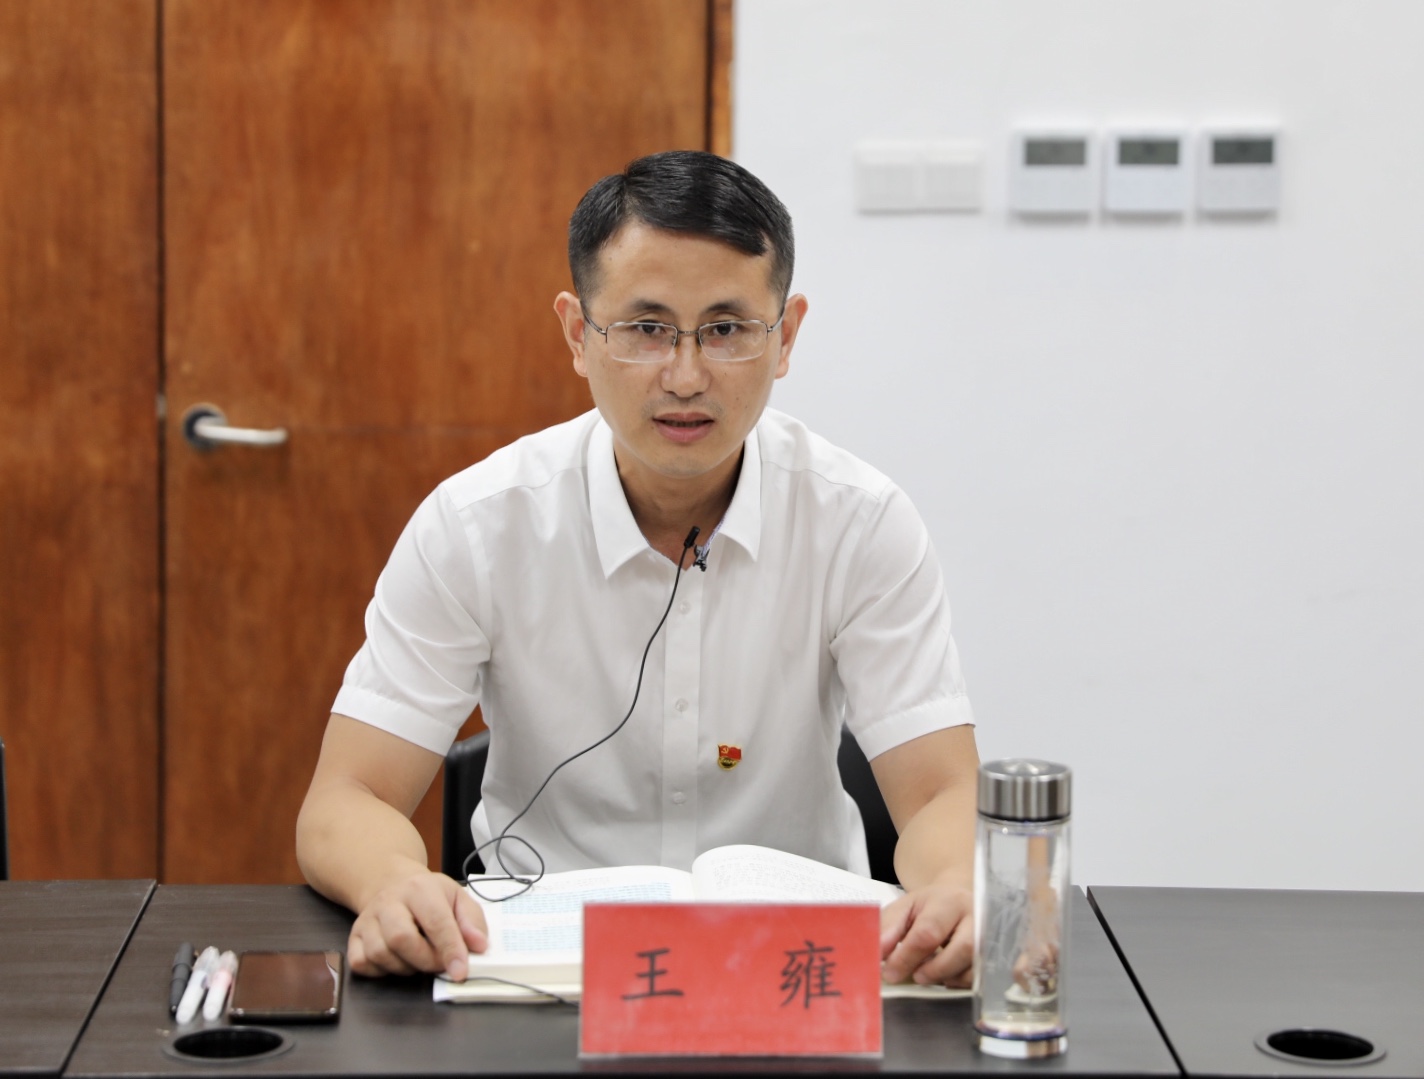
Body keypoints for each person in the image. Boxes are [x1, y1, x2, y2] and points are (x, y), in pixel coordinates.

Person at [296, 150, 981, 989]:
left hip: (792, 977)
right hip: (542, 979)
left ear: (786, 335)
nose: (685, 377)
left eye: (726, 329)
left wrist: (956, 888)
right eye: (647, 329)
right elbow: (347, 799)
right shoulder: (476, 526)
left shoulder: (861, 522)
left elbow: (941, 793)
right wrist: (393, 883)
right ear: (578, 335)